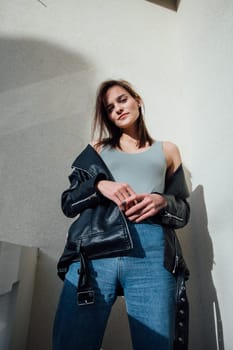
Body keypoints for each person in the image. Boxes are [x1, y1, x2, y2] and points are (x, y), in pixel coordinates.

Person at [53, 79, 190, 350]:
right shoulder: (97, 149)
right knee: (72, 343)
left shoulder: (168, 150)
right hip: (94, 253)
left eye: (122, 99)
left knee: (157, 345)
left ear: (137, 99)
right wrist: (99, 185)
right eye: (109, 107)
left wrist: (161, 201)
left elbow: (183, 209)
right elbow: (68, 202)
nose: (117, 108)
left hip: (151, 252)